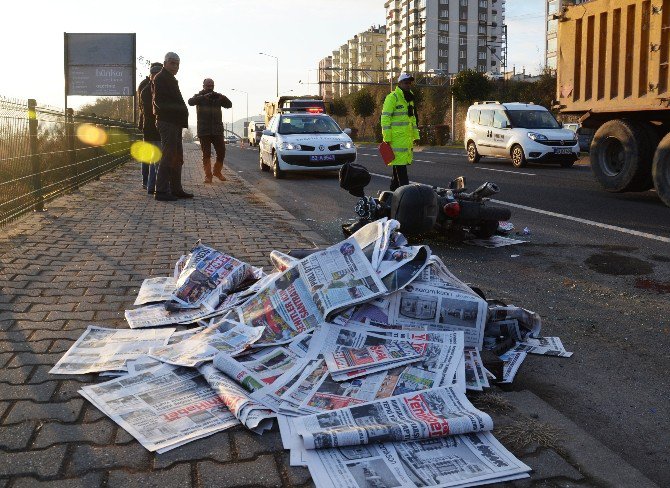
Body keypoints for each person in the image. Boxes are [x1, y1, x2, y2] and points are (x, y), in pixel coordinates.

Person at [152, 51, 192, 201]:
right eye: (172, 63)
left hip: (174, 122)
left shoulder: (170, 79)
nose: (175, 67)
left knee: (177, 157)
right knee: (168, 156)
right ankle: (161, 191)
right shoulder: (161, 78)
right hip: (167, 121)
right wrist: (177, 111)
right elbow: (159, 102)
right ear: (165, 63)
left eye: (177, 64)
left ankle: (176, 189)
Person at [381, 73, 420, 191]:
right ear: (400, 84)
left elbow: (412, 119)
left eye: (409, 83)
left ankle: (391, 197)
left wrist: (416, 135)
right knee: (402, 176)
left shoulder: (409, 99)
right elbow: (385, 118)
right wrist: (387, 138)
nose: (408, 85)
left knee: (396, 174)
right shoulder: (392, 97)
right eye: (406, 83)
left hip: (406, 141)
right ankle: (405, 197)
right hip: (396, 141)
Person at [188, 79, 232, 183]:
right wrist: (203, 97)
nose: (210, 87)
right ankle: (208, 176)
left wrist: (223, 97)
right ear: (203, 86)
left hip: (217, 130)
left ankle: (217, 171)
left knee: (221, 152)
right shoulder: (199, 96)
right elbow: (190, 102)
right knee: (206, 154)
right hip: (204, 130)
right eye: (208, 85)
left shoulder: (217, 96)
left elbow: (229, 105)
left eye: (212, 85)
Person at [139, 62, 163, 194]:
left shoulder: (146, 86)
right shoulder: (148, 88)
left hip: (149, 127)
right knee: (155, 159)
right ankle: (153, 186)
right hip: (152, 127)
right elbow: (149, 110)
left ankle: (149, 185)